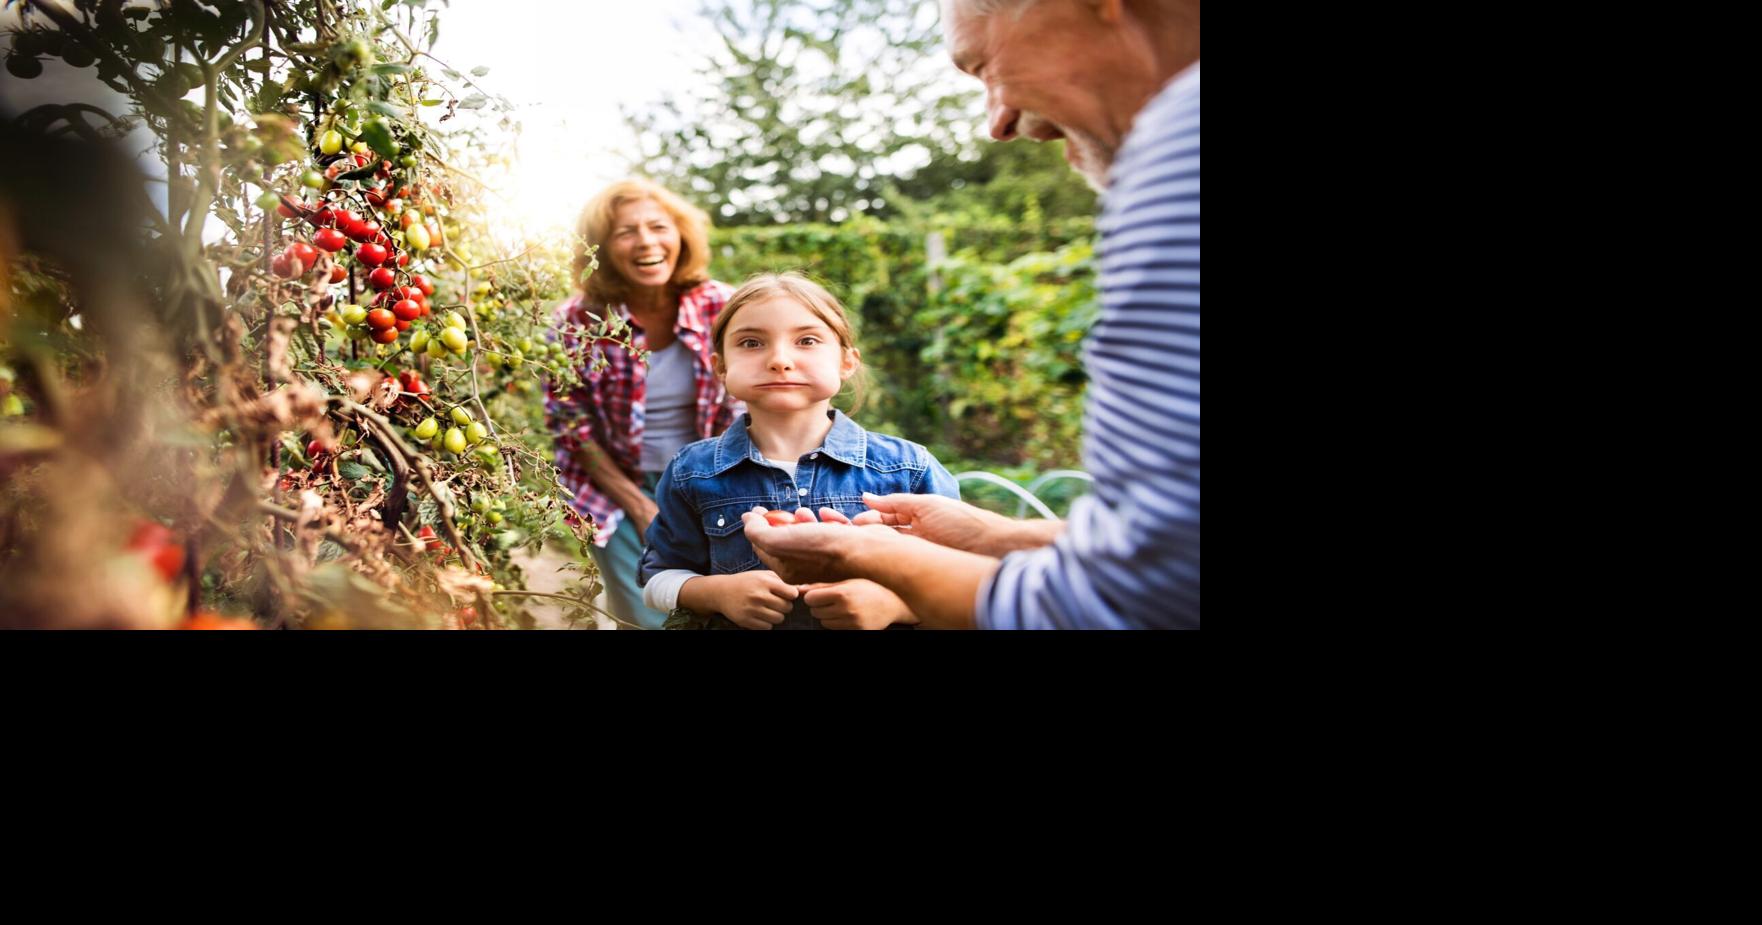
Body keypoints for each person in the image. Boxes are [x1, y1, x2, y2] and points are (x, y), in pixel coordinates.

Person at [741, 0, 1200, 629]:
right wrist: (993, 536)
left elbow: (1132, 601)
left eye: (985, 67)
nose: (998, 122)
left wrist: (871, 557)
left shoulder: (1181, 150)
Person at [637, 273, 961, 630]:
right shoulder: (691, 471)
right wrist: (716, 593)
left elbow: (968, 586)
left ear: (847, 362)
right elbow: (657, 580)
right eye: (751, 342)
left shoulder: (908, 469)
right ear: (721, 367)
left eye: (807, 340)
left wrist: (894, 606)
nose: (779, 360)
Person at [544, 179, 742, 630]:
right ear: (600, 248)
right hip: (616, 489)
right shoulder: (575, 322)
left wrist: (710, 487)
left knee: (721, 608)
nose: (646, 242)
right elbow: (571, 427)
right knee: (644, 617)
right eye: (625, 232)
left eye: (658, 227)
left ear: (681, 235)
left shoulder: (722, 305)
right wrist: (638, 506)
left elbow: (745, 406)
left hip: (715, 477)